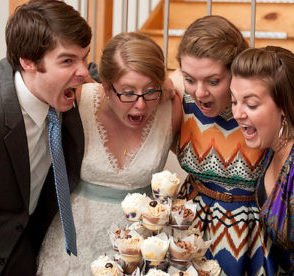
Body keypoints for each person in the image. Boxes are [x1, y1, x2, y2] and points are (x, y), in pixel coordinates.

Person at [36, 32, 182, 275]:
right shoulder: (79, 98)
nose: (140, 105)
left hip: (141, 247)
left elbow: (198, 69)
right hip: (75, 242)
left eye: (150, 91)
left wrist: (164, 83)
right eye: (127, 92)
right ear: (105, 86)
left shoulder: (171, 106)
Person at [172, 15, 290, 275]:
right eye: (190, 78)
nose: (200, 92)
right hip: (191, 225)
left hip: (250, 234)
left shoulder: (261, 108)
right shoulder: (180, 99)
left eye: (213, 81)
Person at [0, 0, 92, 275]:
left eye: (84, 57)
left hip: (30, 249)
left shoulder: (58, 88)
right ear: (28, 62)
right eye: (67, 61)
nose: (84, 72)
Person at [230, 46, 294, 272]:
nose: (238, 113)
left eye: (251, 104)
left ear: (284, 105)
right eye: (234, 100)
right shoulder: (272, 146)